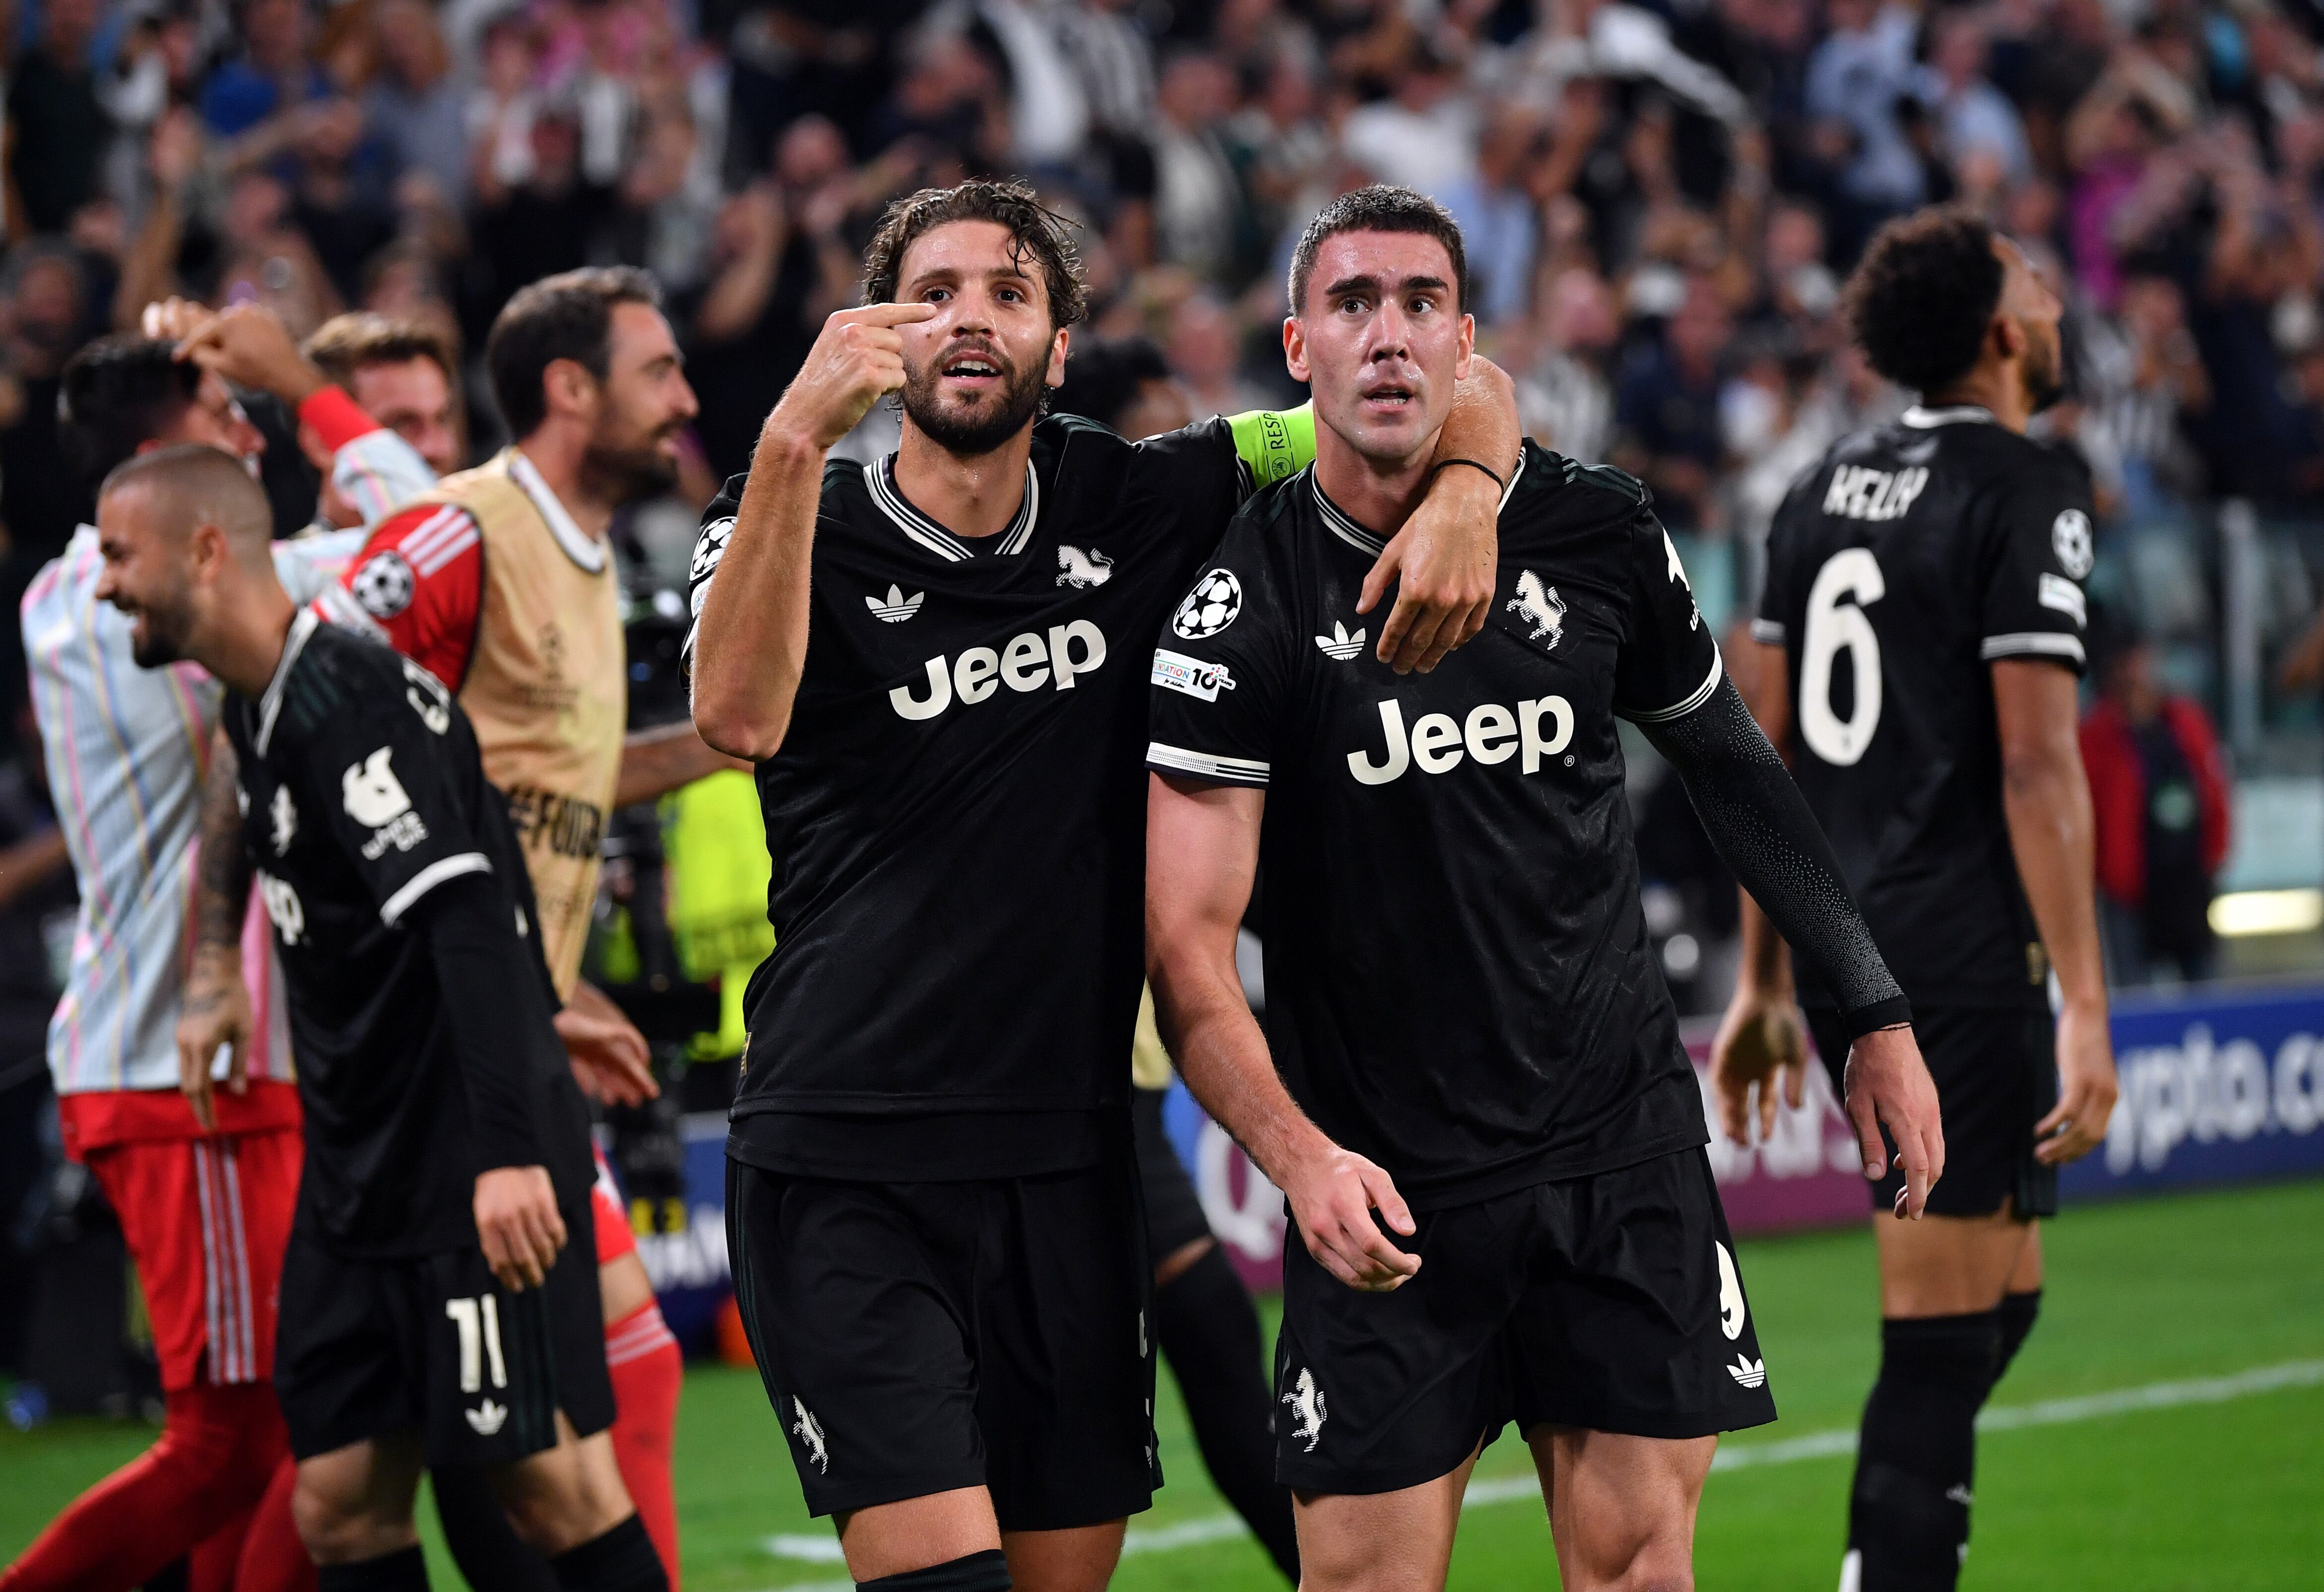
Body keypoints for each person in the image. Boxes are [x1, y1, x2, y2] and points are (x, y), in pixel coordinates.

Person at [686, 177, 1519, 1592]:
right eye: (935, 291)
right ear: (880, 332)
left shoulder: (1138, 496)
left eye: (1010, 295)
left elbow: (1441, 389)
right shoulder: (788, 509)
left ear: (1058, 347)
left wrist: (1467, 494)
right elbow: (737, 716)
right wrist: (784, 436)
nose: (970, 319)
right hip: (847, 1155)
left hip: (1073, 1162)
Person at [1141, 184, 1941, 1592]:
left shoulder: (1593, 532)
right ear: (1294, 349)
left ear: (1468, 345)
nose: (1386, 338)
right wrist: (1298, 1160)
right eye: (1350, 305)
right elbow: (1188, 955)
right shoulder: (1240, 601)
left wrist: (1869, 1007)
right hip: (1384, 1187)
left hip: (1614, 1157)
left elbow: (1736, 773)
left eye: (1419, 305)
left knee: (1640, 1568)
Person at [185, 267, 718, 1589]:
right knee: (501, 1462)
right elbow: (284, 694)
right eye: (659, 374)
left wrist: (732, 745)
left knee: (444, 1472)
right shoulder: (458, 535)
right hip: (435, 1072)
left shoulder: (580, 556)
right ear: (570, 388)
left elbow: (544, 780)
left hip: (493, 1040)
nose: (684, 401)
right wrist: (210, 956)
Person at [90, 442, 670, 1592]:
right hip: (360, 1173)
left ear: (205, 551)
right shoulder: (262, 706)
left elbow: (463, 912)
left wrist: (508, 1156)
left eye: (119, 554)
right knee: (342, 1503)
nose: (104, 580)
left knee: (552, 1486)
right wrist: (211, 967)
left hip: (464, 1161)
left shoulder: (344, 700)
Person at [1714, 206, 2121, 1592]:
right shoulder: (2024, 484)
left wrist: (1765, 984)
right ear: (2003, 334)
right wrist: (2083, 1003)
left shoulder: (1813, 483)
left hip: (1846, 949)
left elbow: (1756, 758)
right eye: (2034, 284)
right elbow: (2033, 761)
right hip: (1948, 951)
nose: (2054, 303)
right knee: (1936, 1348)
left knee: (1994, 1305)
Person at [2, 326, 414, 1592]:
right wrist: (312, 389)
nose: (255, 433)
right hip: (188, 1069)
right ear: (164, 463)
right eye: (229, 415)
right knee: (239, 1438)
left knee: (304, 1425)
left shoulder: (63, 598)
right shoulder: (182, 586)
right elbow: (438, 527)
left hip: (219, 1060)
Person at [1050, 338, 1300, 1584]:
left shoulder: (1217, 615)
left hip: (1142, 1058)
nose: (1187, 465)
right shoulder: (1073, 611)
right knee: (1185, 1351)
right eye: (1155, 439)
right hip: (1065, 1064)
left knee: (1191, 1357)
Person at [2080, 628, 2230, 984]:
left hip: (2189, 883)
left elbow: (2216, 788)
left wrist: (2215, 856)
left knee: (2206, 989)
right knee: (2135, 994)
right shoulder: (2097, 735)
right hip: (2130, 894)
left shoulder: (2186, 721)